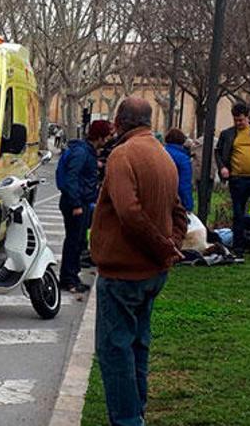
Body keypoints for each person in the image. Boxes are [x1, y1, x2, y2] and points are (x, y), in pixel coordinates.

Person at [90, 98, 188, 426]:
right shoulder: (163, 155)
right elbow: (179, 210)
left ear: (119, 122)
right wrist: (171, 246)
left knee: (115, 353)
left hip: (123, 273)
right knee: (137, 347)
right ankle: (138, 412)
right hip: (151, 273)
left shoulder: (123, 155)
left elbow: (129, 214)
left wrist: (164, 248)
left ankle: (129, 420)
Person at [55, 119, 112, 293]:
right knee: (74, 241)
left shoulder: (87, 151)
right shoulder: (81, 152)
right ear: (100, 137)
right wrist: (76, 204)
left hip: (81, 202)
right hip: (76, 204)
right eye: (107, 135)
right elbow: (72, 177)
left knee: (78, 241)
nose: (109, 139)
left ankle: (71, 276)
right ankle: (69, 279)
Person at [215, 102, 250, 258]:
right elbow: (219, 152)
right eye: (235, 120)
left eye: (241, 120)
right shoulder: (227, 134)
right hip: (237, 180)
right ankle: (238, 246)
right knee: (238, 214)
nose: (238, 123)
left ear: (248, 117)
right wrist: (222, 167)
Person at [164, 128, 194, 212]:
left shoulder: (160, 152)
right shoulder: (183, 158)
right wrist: (188, 206)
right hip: (175, 200)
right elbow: (184, 184)